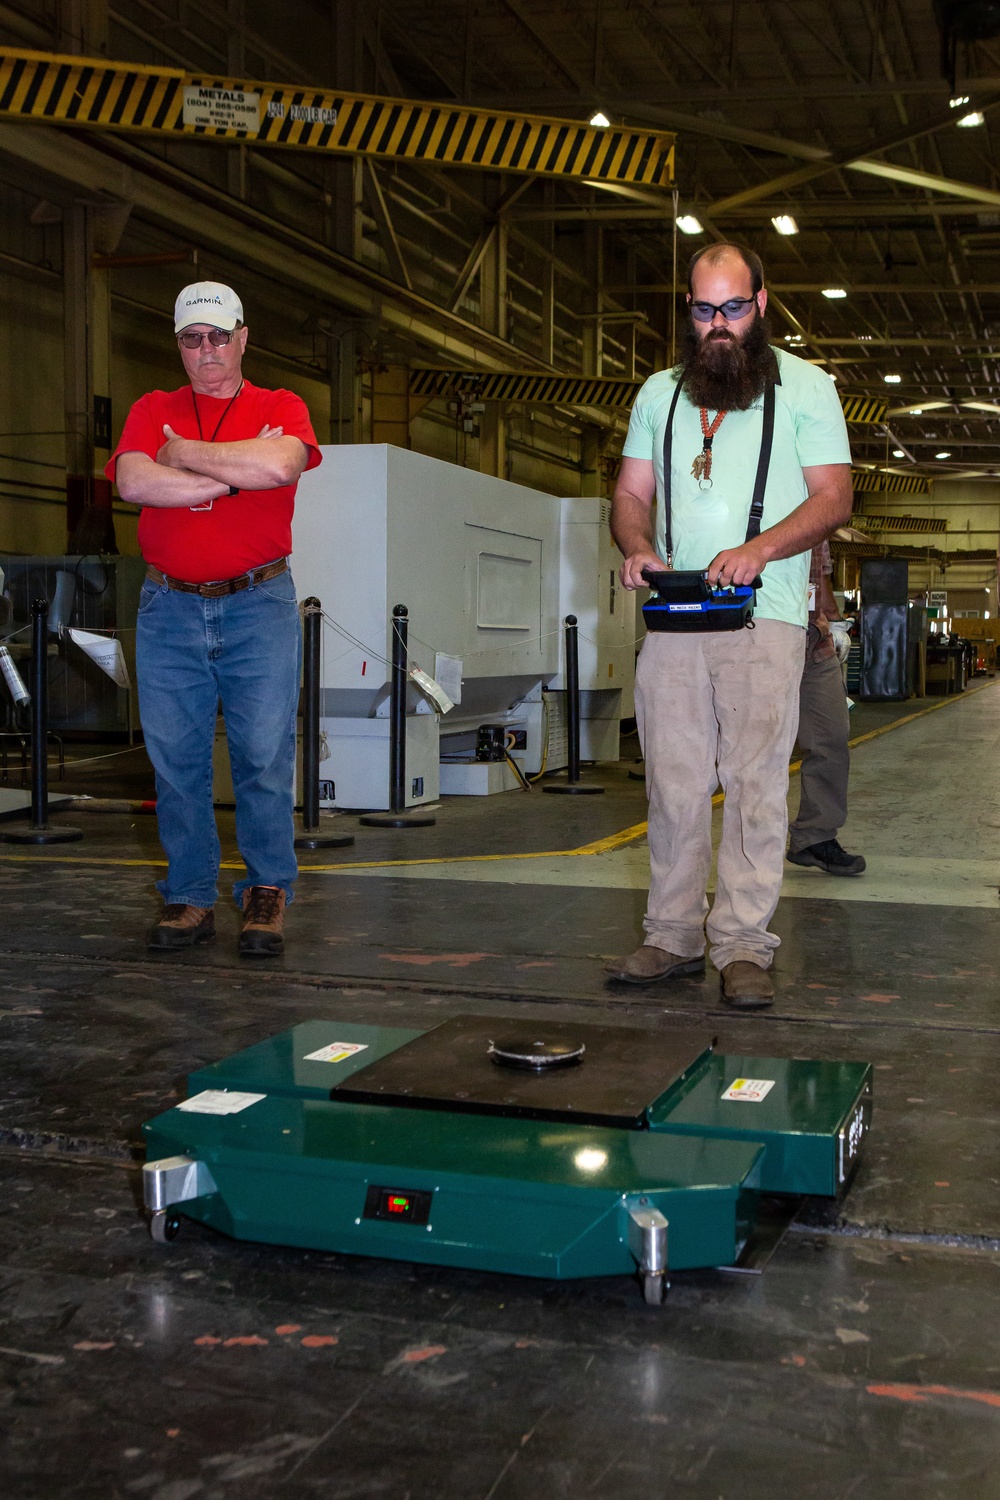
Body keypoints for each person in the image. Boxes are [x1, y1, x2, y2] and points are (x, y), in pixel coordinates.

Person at [607, 243, 853, 1009]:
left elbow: (834, 498)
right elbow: (629, 492)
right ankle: (673, 935)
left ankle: (744, 944)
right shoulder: (660, 394)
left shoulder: (809, 389)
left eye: (733, 308)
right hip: (675, 618)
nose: (718, 326)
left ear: (762, 304)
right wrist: (638, 547)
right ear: (689, 308)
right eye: (704, 310)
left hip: (765, 618)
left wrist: (759, 549)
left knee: (753, 785)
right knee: (673, 783)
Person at [108, 281, 321, 957]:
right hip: (168, 606)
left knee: (263, 755)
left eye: (219, 336)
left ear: (243, 338)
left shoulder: (280, 406)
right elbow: (134, 483)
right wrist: (236, 472)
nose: (207, 351)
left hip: (257, 603)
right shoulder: (152, 407)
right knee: (176, 762)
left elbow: (283, 462)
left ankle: (266, 890)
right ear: (179, 344)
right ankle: (190, 894)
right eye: (193, 339)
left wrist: (184, 456)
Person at [787, 540, 866, 876]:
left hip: (814, 644)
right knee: (757, 749)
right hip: (762, 636)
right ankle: (750, 849)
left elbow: (820, 578)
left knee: (832, 735)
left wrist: (833, 622)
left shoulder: (816, 511)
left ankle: (814, 836)